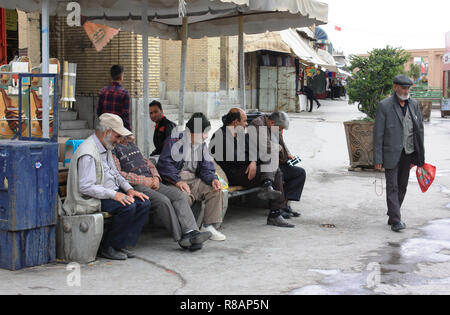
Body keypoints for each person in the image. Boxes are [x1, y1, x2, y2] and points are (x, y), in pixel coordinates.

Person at [63, 113, 151, 260]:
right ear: (107, 132)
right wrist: (114, 195)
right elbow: (86, 187)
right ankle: (110, 247)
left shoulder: (106, 148)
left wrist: (130, 190)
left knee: (144, 203)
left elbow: (116, 174)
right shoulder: (88, 152)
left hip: (109, 192)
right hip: (91, 198)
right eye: (117, 136)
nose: (120, 140)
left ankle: (123, 244)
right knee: (127, 207)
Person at [112, 134, 211, 251]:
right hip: (135, 186)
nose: (131, 137)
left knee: (178, 194)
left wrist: (156, 177)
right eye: (126, 135)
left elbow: (150, 165)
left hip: (152, 182)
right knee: (162, 201)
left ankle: (191, 231)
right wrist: (144, 181)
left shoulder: (134, 147)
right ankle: (182, 238)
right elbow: (119, 175)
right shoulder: (114, 151)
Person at [211, 108, 296, 228]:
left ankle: (268, 188)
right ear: (235, 122)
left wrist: (253, 161)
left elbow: (254, 150)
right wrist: (251, 161)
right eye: (245, 121)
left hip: (247, 170)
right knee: (275, 170)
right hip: (233, 174)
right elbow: (235, 158)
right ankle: (274, 212)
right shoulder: (220, 136)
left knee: (274, 167)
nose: (247, 124)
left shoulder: (240, 133)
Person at [157, 112, 226, 241]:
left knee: (215, 190)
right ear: (192, 132)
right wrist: (177, 181)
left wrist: (213, 179)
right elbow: (164, 166)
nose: (206, 136)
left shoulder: (202, 145)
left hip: (194, 180)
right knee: (183, 198)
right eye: (204, 132)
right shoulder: (173, 141)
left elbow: (206, 167)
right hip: (175, 182)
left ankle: (208, 226)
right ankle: (187, 231)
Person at [373, 75, 425, 232]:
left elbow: (419, 129)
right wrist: (378, 158)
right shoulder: (385, 106)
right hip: (390, 153)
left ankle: (392, 214)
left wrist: (419, 155)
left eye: (408, 88)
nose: (406, 91)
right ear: (395, 87)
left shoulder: (414, 105)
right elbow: (378, 134)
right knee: (393, 186)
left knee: (403, 186)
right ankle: (396, 220)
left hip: (408, 152)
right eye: (403, 88)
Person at [251, 112, 305, 219]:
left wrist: (288, 153)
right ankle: (278, 208)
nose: (280, 131)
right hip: (263, 163)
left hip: (276, 162)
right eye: (280, 128)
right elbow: (265, 146)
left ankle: (285, 205)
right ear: (271, 122)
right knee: (279, 174)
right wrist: (280, 149)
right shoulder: (258, 124)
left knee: (299, 173)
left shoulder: (273, 125)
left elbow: (282, 142)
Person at [97, 65, 131, 131]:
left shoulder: (102, 91)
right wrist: (128, 131)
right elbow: (125, 116)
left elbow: (99, 112)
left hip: (105, 129)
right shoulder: (124, 93)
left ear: (111, 76)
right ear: (121, 76)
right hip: (118, 130)